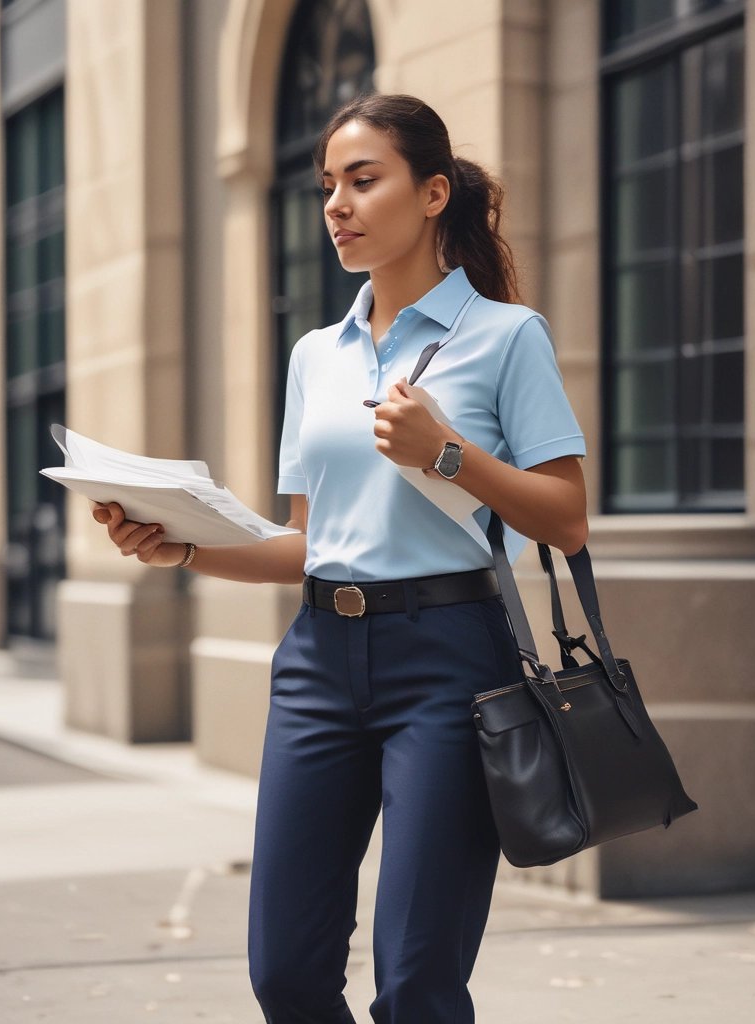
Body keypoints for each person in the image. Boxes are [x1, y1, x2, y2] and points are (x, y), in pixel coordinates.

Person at [92, 93, 587, 1024]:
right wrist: (181, 546)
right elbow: (313, 545)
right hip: (317, 662)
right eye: (328, 185)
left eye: (365, 180)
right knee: (285, 974)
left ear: (434, 192)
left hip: (451, 662)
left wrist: (449, 453)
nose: (337, 204)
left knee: (416, 982)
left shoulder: (505, 337)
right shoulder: (315, 356)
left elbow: (567, 518)